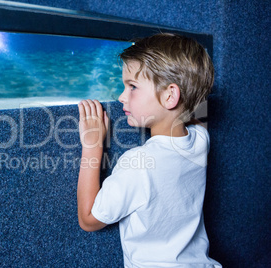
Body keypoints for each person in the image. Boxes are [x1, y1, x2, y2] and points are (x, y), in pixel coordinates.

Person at [77, 33, 222, 267]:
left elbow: (88, 220)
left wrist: (93, 146)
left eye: (132, 87)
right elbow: (196, 115)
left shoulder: (138, 163)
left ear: (170, 95)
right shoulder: (199, 141)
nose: (121, 96)